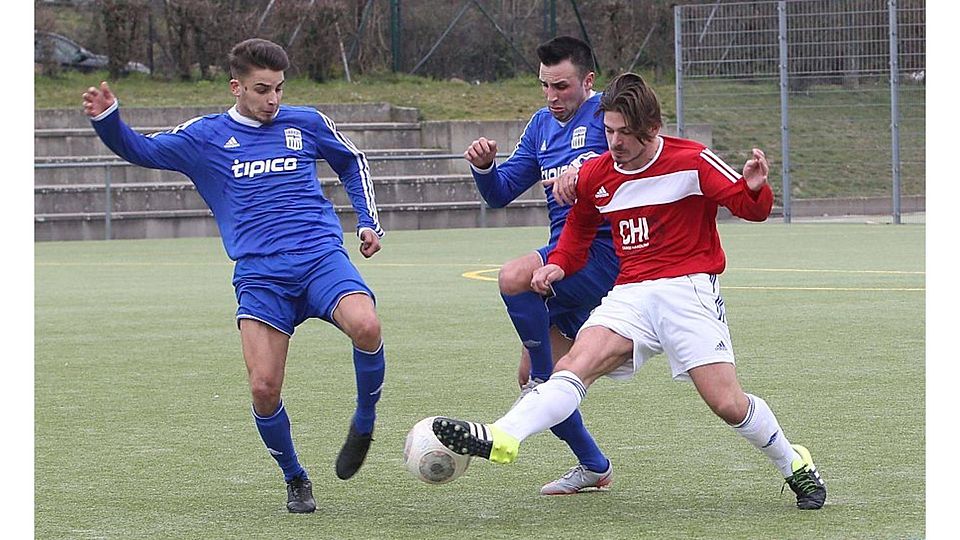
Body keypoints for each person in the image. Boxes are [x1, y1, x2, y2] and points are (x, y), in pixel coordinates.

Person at [434, 73, 827, 510]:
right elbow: (578, 231)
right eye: (608, 130)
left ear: (652, 129)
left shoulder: (693, 160)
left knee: (728, 404)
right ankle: (502, 435)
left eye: (624, 133)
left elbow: (749, 208)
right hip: (631, 292)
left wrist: (754, 187)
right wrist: (557, 265)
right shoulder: (599, 174)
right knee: (574, 365)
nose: (614, 142)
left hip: (688, 290)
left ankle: (795, 463)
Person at [82, 38, 387, 514]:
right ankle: (295, 477)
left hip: (318, 257)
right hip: (261, 275)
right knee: (264, 387)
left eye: (279, 89)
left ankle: (364, 420)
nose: (273, 100)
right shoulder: (203, 137)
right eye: (262, 89)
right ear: (236, 87)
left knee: (366, 326)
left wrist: (367, 219)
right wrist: (109, 120)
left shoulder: (305, 122)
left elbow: (352, 161)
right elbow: (140, 149)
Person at [462, 36, 617, 495]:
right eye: (545, 86)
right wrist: (486, 167)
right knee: (533, 376)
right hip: (563, 258)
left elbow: (642, 156)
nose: (552, 97)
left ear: (588, 81)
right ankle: (594, 465)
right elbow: (500, 194)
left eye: (562, 86)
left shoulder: (611, 114)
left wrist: (589, 171)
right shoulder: (540, 127)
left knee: (512, 277)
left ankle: (541, 388)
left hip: (607, 253)